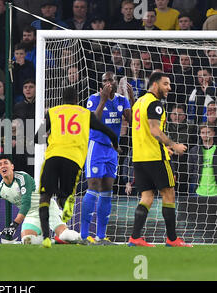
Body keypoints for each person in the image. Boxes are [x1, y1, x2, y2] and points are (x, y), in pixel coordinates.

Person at [35, 86, 120, 248]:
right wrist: (115, 144)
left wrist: (51, 140)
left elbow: (37, 137)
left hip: (53, 157)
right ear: (77, 99)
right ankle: (66, 200)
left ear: (61, 99)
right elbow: (106, 130)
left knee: (45, 197)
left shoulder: (53, 112)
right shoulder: (84, 113)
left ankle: (46, 237)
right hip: (73, 160)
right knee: (67, 194)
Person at [128, 72, 191, 247]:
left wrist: (166, 147)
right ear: (155, 84)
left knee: (147, 197)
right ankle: (172, 239)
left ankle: (135, 237)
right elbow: (155, 131)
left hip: (139, 157)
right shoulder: (155, 104)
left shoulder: (139, 102)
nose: (169, 88)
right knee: (169, 194)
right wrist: (174, 145)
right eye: (166, 84)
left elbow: (143, 131)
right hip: (155, 157)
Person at [0, 155, 81, 245]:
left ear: (12, 167)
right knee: (27, 240)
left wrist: (14, 225)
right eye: (0, 164)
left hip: (47, 208)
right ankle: (54, 241)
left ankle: (82, 238)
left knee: (65, 234)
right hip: (31, 215)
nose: (3, 166)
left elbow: (26, 204)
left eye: (6, 163)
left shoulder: (23, 177)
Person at [80, 71, 133, 245]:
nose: (108, 83)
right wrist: (103, 99)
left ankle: (101, 236)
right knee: (93, 186)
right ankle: (83, 235)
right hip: (96, 147)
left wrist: (131, 98)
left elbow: (131, 121)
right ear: (101, 84)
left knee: (107, 190)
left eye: (111, 80)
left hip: (112, 150)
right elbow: (93, 120)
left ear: (116, 82)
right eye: (105, 81)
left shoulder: (121, 100)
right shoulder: (94, 98)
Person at [187, 123, 217, 242]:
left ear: (213, 133)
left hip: (215, 192)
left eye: (208, 132)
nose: (205, 135)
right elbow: (190, 170)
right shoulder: (194, 151)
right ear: (200, 134)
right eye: (203, 132)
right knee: (202, 224)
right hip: (200, 192)